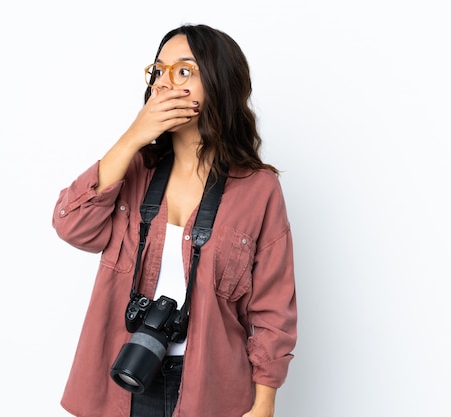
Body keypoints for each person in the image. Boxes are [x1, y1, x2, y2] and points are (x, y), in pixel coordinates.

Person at [52, 23, 297, 417]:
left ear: (219, 85)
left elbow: (272, 309)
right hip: (123, 378)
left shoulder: (258, 189)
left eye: (184, 71)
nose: (164, 84)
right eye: (158, 72)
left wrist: (264, 401)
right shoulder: (133, 170)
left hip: (210, 387)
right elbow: (72, 226)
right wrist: (132, 137)